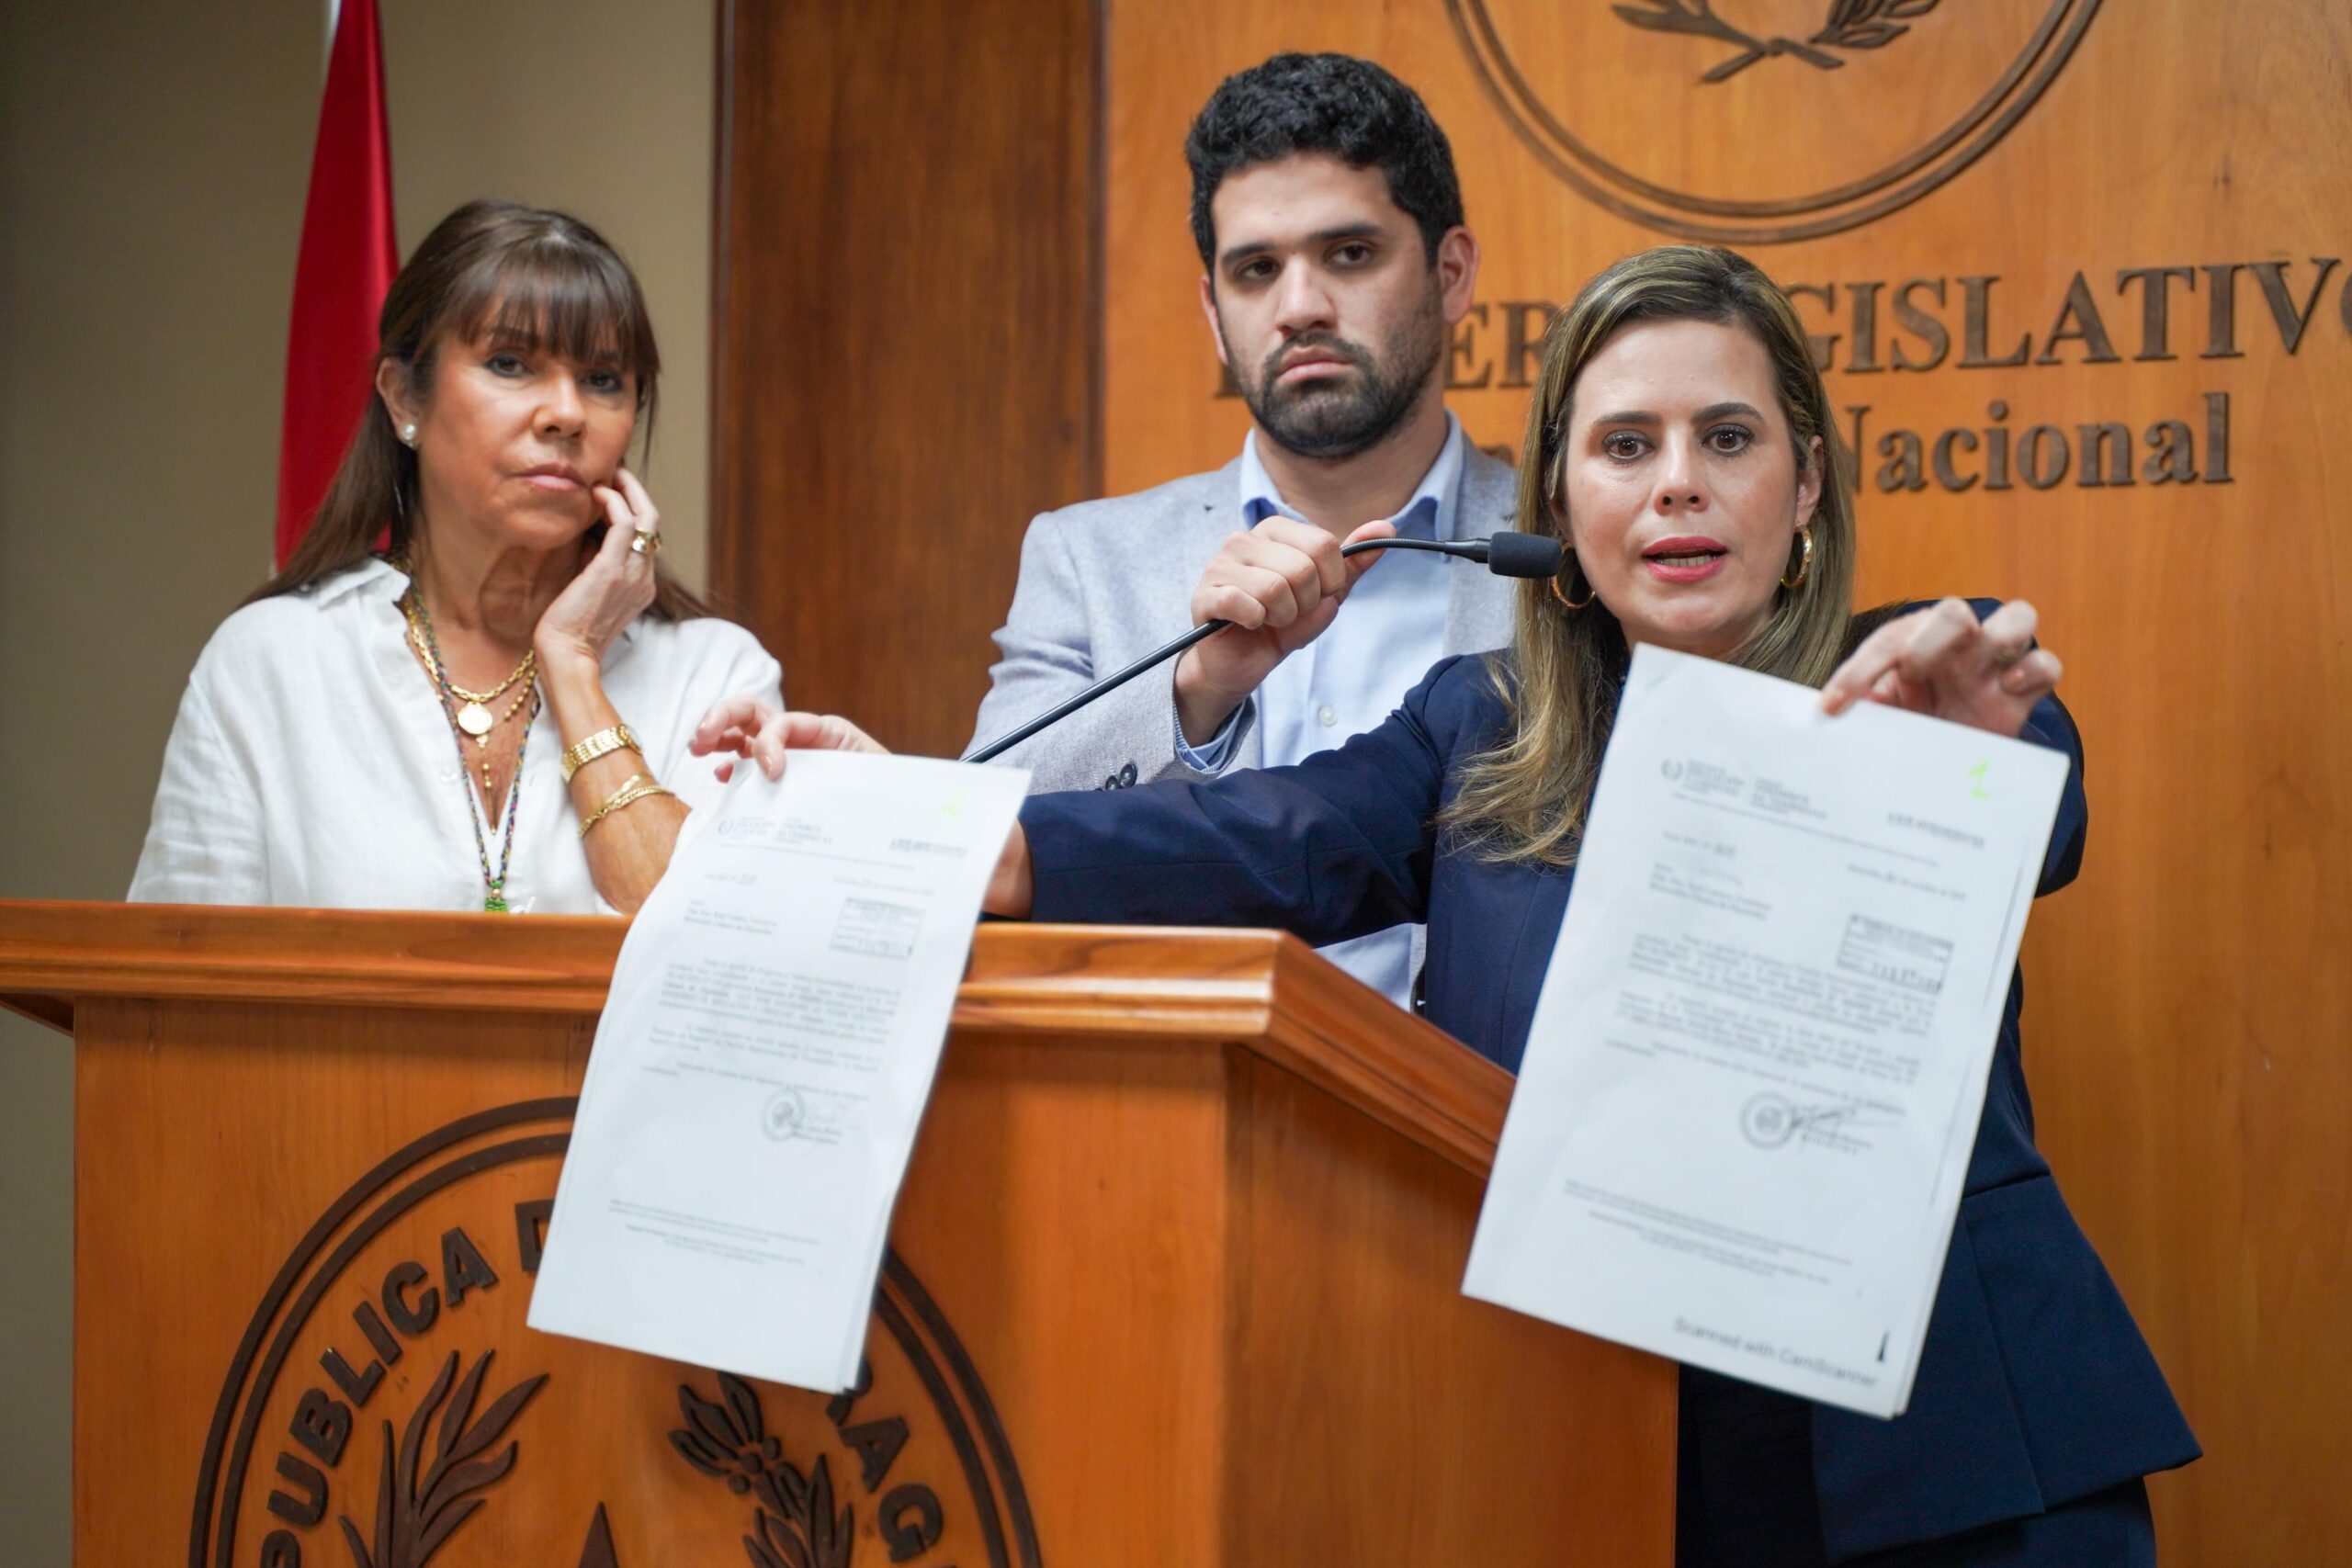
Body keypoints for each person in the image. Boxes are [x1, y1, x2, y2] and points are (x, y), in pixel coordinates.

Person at [697, 245, 2199, 1564]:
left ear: (1803, 481)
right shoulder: (1472, 726)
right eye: (1625, 443)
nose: (1676, 477)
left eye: (1725, 436)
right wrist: (896, 807)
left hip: (1948, 1458)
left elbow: (2038, 799)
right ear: (1562, 503)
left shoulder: (1924, 683)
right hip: (1583, 1442)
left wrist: (1946, 758)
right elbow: (1230, 844)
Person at [967, 52, 1517, 1008]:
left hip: (1475, 1128)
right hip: (1162, 1125)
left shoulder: (1565, 553)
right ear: (1215, 317)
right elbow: (992, 841)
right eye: (1255, 270)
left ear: (1451, 272)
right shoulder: (1087, 560)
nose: (1299, 306)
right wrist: (1192, 695)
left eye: (1349, 254)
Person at [130, 199, 781, 915]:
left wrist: (573, 661)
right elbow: (175, 990)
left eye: (603, 379)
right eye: (510, 363)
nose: (567, 412)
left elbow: (708, 957)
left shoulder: (718, 678)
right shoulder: (272, 662)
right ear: (405, 395)